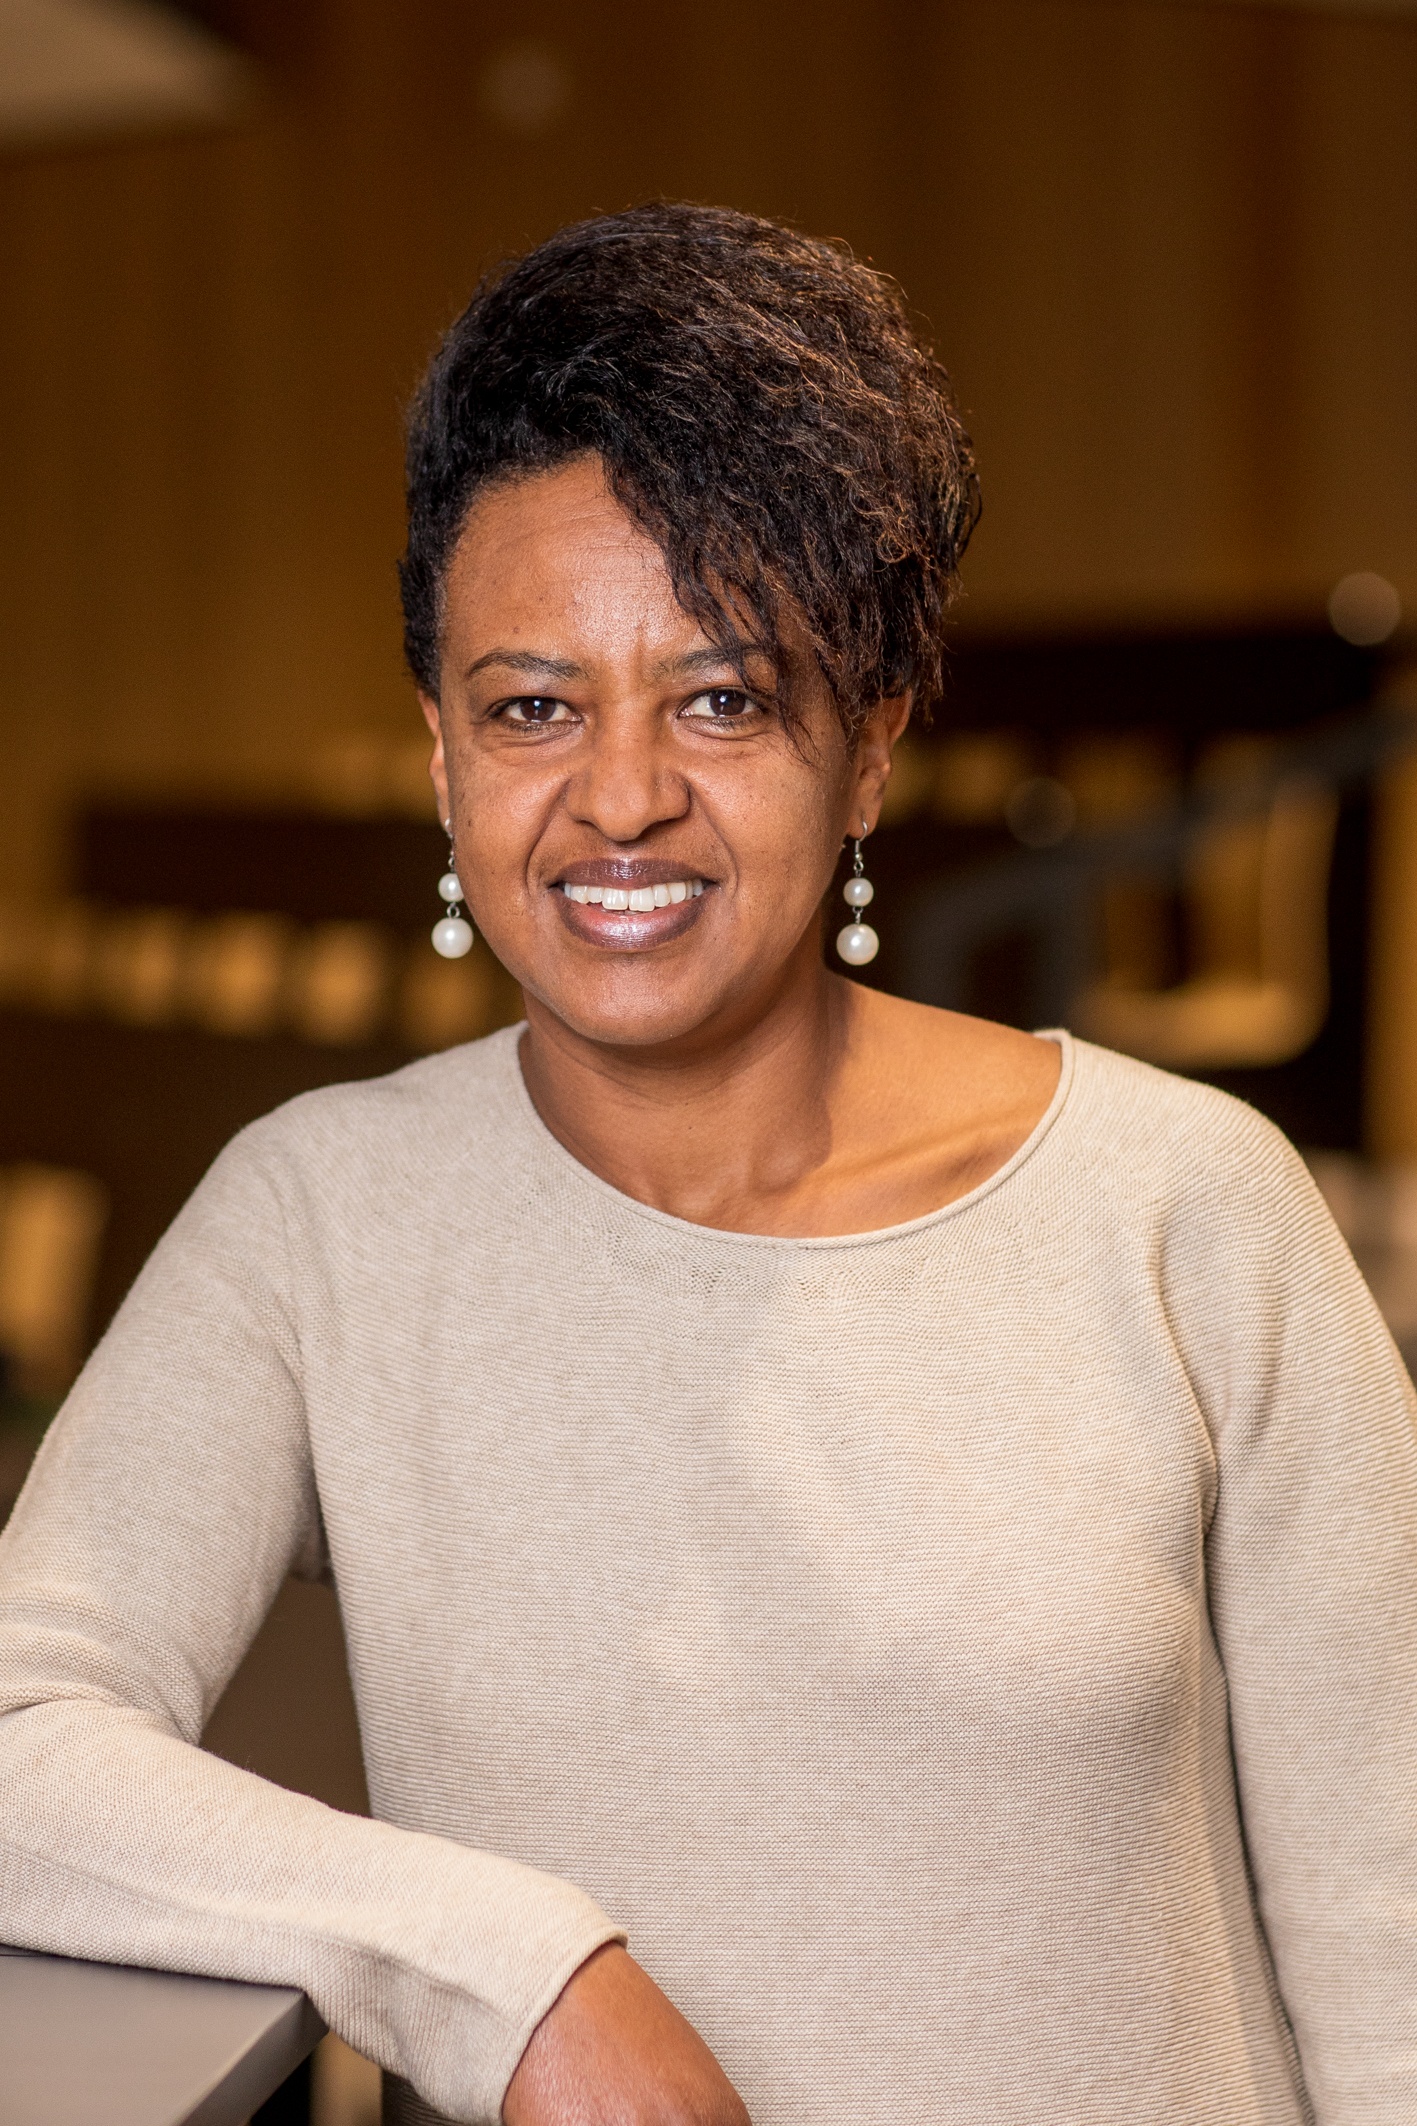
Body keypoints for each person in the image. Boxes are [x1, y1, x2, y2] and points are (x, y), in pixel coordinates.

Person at [0, 202, 1414, 2126]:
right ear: (442, 758)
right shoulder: (321, 1216)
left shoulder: (1186, 1206)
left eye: (724, 697)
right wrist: (505, 1973)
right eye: (532, 705)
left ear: (870, 746)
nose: (621, 795)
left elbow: (1392, 1956)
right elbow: (24, 1737)